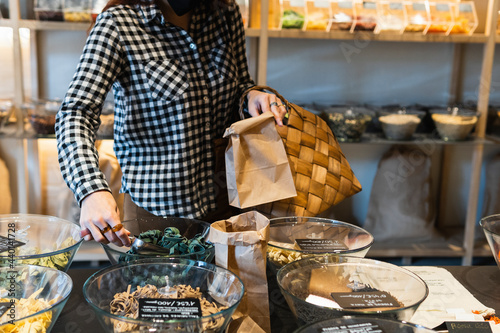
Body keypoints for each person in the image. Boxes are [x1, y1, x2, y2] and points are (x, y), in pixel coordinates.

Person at [55, 0, 286, 247]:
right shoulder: (119, 24)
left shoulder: (225, 14)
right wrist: (91, 191)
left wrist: (252, 96)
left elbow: (240, 83)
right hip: (156, 219)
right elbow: (75, 114)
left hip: (228, 204)